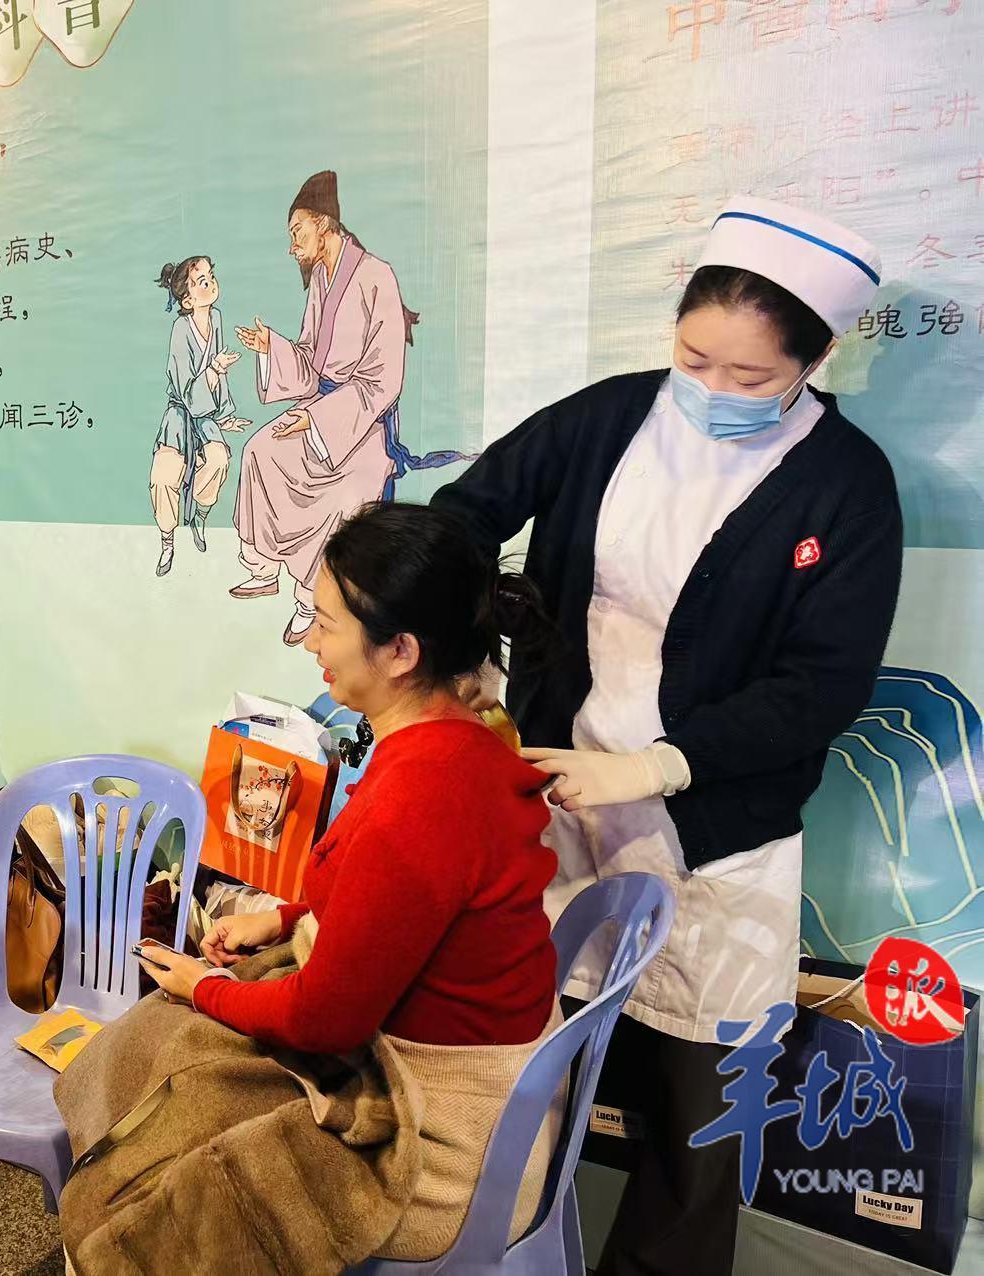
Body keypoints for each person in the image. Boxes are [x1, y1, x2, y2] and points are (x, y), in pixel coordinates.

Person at [431, 196, 902, 1276]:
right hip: (558, 794)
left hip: (717, 829)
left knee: (697, 1109)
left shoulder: (846, 485)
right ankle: (509, 1249)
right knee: (529, 1058)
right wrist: (444, 639)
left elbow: (821, 685)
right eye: (693, 359)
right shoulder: (607, 418)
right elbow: (464, 513)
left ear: (814, 361)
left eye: (750, 376)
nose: (712, 390)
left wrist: (653, 767)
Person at [68, 501, 562, 1266]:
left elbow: (323, 1020)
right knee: (164, 1044)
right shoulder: (462, 739)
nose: (309, 641)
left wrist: (206, 987)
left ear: (399, 651)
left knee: (162, 1075)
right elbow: (413, 898)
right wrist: (283, 917)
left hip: (435, 1146)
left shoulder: (417, 799)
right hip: (480, 1090)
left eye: (326, 624)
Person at [230, 170, 427, 647]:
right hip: (320, 411)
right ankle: (264, 568)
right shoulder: (322, 278)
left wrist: (317, 417)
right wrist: (272, 348)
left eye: (296, 232)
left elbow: (383, 381)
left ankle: (308, 600)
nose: (292, 246)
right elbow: (309, 359)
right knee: (259, 450)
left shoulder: (376, 276)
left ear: (323, 224)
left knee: (344, 496)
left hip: (360, 424)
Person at [149, 256, 250, 577]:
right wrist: (215, 369)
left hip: (206, 414)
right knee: (164, 477)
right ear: (187, 300)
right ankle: (167, 541)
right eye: (201, 281)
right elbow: (187, 390)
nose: (210, 283)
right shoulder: (181, 329)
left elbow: (219, 377)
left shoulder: (216, 318)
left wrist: (225, 416)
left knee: (219, 460)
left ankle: (200, 515)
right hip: (180, 413)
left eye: (211, 276)